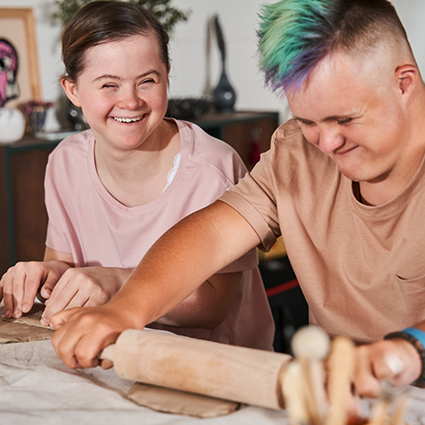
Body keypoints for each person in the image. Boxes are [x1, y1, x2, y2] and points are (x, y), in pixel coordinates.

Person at [50, 0, 425, 399]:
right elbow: (212, 232)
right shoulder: (297, 153)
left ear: (404, 83)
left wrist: (410, 349)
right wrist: (125, 310)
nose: (328, 143)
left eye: (345, 119)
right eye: (309, 121)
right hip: (335, 397)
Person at [0, 1, 275, 351]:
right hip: (112, 353)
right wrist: (45, 275)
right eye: (108, 85)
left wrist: (114, 282)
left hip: (213, 365)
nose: (130, 101)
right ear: (73, 90)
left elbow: (212, 306)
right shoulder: (64, 161)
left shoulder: (211, 167)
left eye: (147, 81)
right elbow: (64, 263)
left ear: (167, 77)